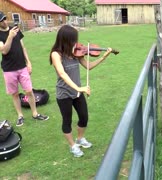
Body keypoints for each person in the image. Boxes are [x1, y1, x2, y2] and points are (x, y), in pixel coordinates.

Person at [49, 25, 113, 157]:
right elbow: (62, 73)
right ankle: (73, 145)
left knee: (84, 117)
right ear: (66, 39)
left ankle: (80, 139)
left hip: (77, 93)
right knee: (67, 120)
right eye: (73, 40)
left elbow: (88, 66)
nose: (76, 43)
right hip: (64, 93)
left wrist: (103, 58)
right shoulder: (56, 54)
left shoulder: (76, 53)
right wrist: (79, 87)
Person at [0, 11, 49, 126]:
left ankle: (35, 113)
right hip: (9, 69)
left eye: (5, 18)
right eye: (1, 20)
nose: (4, 21)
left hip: (22, 67)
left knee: (29, 91)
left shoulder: (15, 29)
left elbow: (23, 47)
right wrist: (10, 37)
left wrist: (29, 62)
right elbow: (4, 50)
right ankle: (20, 116)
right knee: (15, 94)